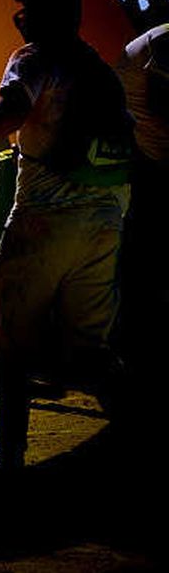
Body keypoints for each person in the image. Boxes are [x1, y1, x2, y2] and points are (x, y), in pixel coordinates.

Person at [0, 0, 133, 476]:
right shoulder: (98, 67)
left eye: (25, 11)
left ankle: (8, 463)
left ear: (41, 15)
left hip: (45, 218)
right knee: (91, 351)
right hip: (104, 220)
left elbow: (6, 115)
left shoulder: (33, 58)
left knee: (13, 345)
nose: (19, 20)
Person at [114, 22, 168, 372]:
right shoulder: (164, 41)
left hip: (150, 153)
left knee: (142, 251)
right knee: (144, 255)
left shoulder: (161, 36)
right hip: (151, 156)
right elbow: (162, 103)